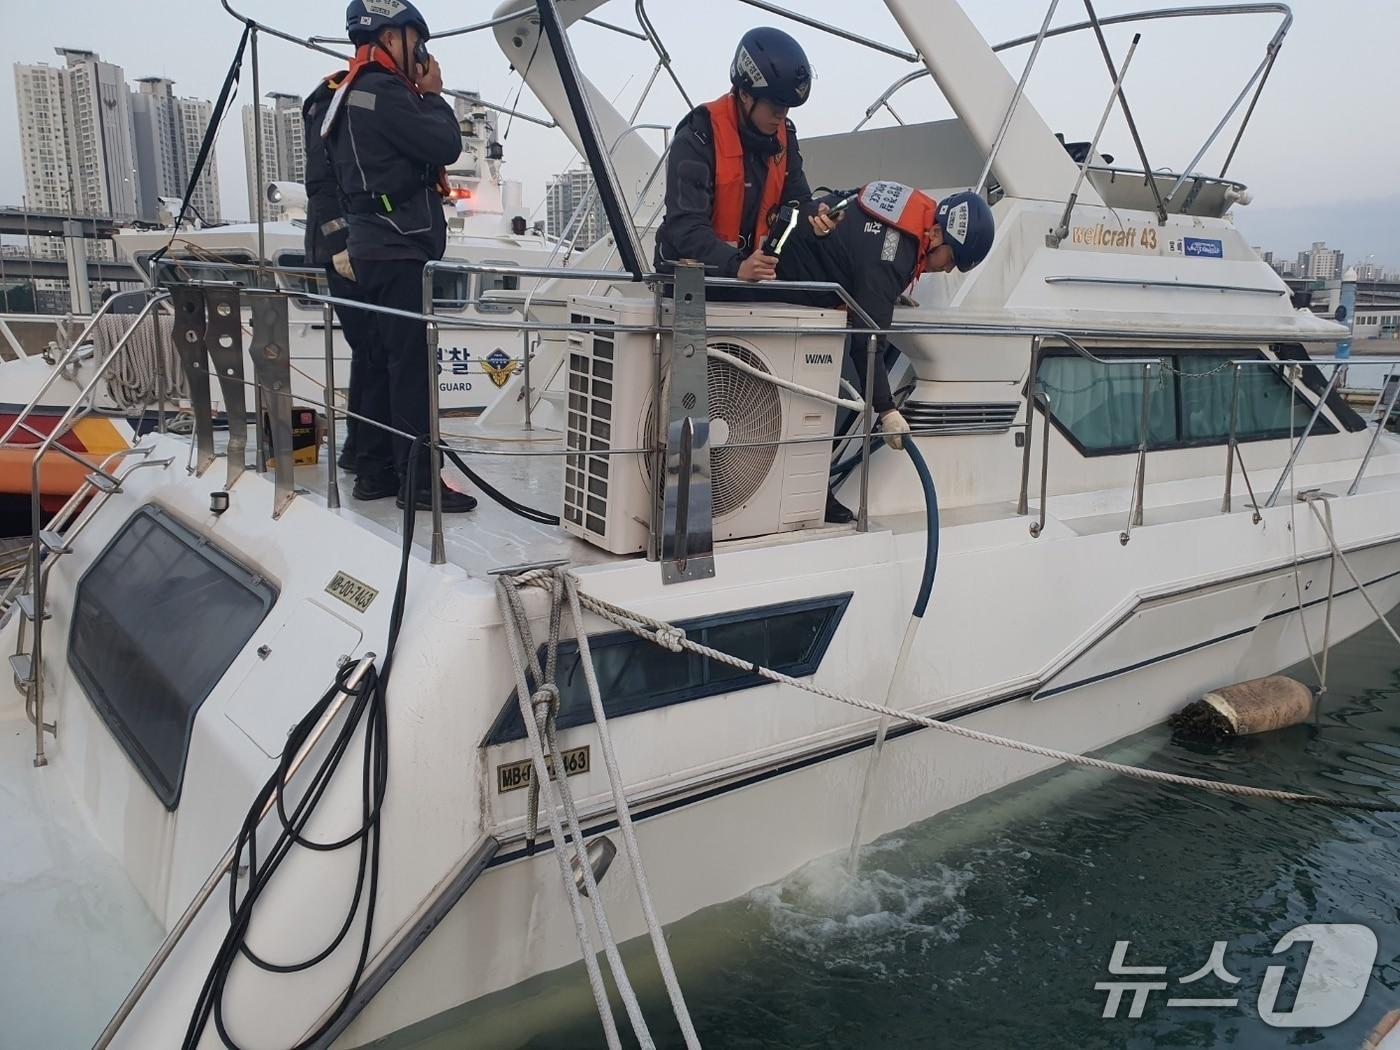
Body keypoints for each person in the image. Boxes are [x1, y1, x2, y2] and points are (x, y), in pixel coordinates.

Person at [323, 0, 475, 512]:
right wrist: (434, 97)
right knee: (410, 370)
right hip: (397, 246)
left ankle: (374, 472)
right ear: (392, 37)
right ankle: (420, 484)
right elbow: (444, 144)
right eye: (415, 41)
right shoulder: (384, 93)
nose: (422, 55)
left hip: (372, 246)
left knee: (382, 365)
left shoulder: (349, 92)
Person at [770, 182, 996, 521]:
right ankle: (801, 496)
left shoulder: (911, 224)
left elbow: (862, 259)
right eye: (951, 260)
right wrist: (887, 410)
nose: (948, 270)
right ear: (935, 234)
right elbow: (868, 340)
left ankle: (803, 491)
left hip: (797, 286)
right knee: (805, 400)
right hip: (782, 297)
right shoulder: (894, 254)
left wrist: (884, 294)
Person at [653, 27, 837, 283]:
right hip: (692, 278)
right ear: (745, 94)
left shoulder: (785, 136)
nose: (781, 115)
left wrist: (817, 215)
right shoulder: (698, 136)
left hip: (752, 275)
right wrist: (735, 266)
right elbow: (686, 227)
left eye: (787, 108)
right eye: (774, 106)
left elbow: (796, 202)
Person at [302, 74, 372, 475]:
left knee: (368, 352)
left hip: (348, 247)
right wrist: (340, 244)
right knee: (371, 351)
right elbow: (321, 181)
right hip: (349, 250)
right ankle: (361, 450)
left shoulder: (332, 96)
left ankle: (359, 448)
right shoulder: (338, 98)